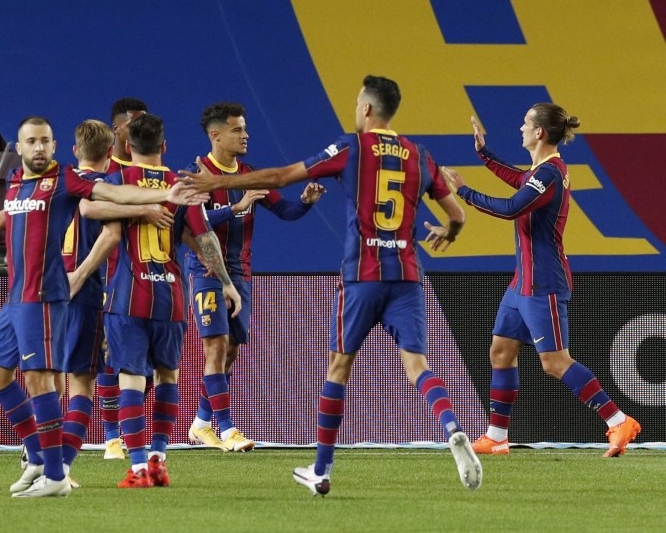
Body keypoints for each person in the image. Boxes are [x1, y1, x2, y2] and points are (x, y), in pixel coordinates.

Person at [182, 75, 482, 495]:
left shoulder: (351, 147)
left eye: (358, 100)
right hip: (408, 276)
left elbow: (283, 175)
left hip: (363, 276)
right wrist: (448, 233)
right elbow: (458, 216)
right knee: (418, 365)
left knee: (338, 369)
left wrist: (218, 184)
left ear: (367, 110)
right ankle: (451, 426)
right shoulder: (421, 155)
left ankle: (321, 469)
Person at [0, 116, 205, 498]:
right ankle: (37, 456)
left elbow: (113, 195)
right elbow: (2, 217)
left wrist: (161, 195)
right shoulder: (17, 181)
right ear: (18, 147)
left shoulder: (66, 180)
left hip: (46, 296)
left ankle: (55, 474)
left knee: (43, 381)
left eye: (44, 141)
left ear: (56, 146)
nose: (38, 147)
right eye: (30, 141)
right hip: (15, 296)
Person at [440, 105, 641, 457]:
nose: (520, 127)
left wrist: (464, 192)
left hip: (543, 281)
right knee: (501, 351)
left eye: (525, 123)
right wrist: (483, 154)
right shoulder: (544, 171)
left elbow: (511, 208)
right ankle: (497, 437)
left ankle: (618, 420)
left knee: (554, 362)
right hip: (523, 282)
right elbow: (518, 181)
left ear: (539, 134)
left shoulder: (549, 173)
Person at [76, 113, 241, 488]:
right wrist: (226, 283)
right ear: (164, 147)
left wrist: (136, 210)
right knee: (168, 378)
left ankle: (136, 468)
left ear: (127, 148)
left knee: (131, 381)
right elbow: (206, 241)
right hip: (171, 297)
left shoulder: (116, 181)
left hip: (128, 296)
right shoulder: (178, 185)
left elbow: (90, 210)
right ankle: (159, 460)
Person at [184, 102, 326, 452]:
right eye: (238, 130)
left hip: (241, 273)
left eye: (245, 129)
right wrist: (235, 207)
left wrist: (306, 201)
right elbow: (194, 223)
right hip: (206, 271)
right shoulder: (195, 174)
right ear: (216, 135)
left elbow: (287, 211)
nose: (246, 135)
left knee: (230, 351)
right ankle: (230, 430)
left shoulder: (251, 174)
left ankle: (201, 423)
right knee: (214, 348)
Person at [98, 97, 158, 461]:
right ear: (117, 130)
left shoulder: (155, 171)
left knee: (145, 371)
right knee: (110, 361)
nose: (138, 128)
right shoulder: (107, 173)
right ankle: (111, 438)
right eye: (132, 122)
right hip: (112, 278)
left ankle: (127, 432)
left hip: (153, 283)